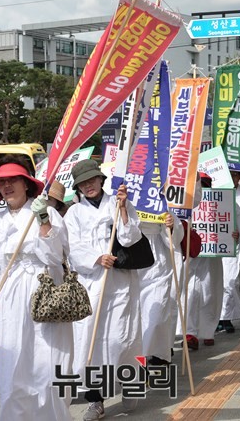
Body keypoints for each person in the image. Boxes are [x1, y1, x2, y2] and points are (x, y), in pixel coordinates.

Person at [0, 156, 73, 420]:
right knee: (13, 358)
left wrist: (42, 219)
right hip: (10, 292)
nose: (7, 186)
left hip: (44, 286)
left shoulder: (47, 212)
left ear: (26, 184)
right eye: (2, 182)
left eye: (13, 180)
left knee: (48, 358)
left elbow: (55, 256)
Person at [64, 159, 143, 421]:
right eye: (82, 183)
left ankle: (129, 382)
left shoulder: (117, 203)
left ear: (101, 180)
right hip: (91, 283)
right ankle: (95, 400)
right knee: (90, 340)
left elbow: (131, 237)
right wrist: (97, 257)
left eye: (92, 180)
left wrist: (122, 209)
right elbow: (72, 247)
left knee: (122, 337)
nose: (88, 185)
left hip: (120, 282)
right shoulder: (74, 213)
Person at [182, 172, 224, 348]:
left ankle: (208, 331)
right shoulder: (183, 204)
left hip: (212, 256)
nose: (202, 189)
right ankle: (190, 331)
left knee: (210, 291)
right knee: (190, 292)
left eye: (205, 185)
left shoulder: (222, 203)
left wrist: (233, 236)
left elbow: (233, 226)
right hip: (191, 254)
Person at [138, 210, 183, 363]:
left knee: (156, 316)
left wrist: (170, 227)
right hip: (131, 262)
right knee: (134, 321)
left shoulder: (159, 201)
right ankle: (139, 362)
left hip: (157, 266)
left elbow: (174, 240)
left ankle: (157, 353)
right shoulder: (120, 197)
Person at [219, 167, 240, 334]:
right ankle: (217, 318)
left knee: (230, 282)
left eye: (237, 175)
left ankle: (226, 318)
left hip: (232, 245)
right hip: (211, 250)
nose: (235, 178)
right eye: (231, 175)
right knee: (215, 285)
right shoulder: (213, 196)